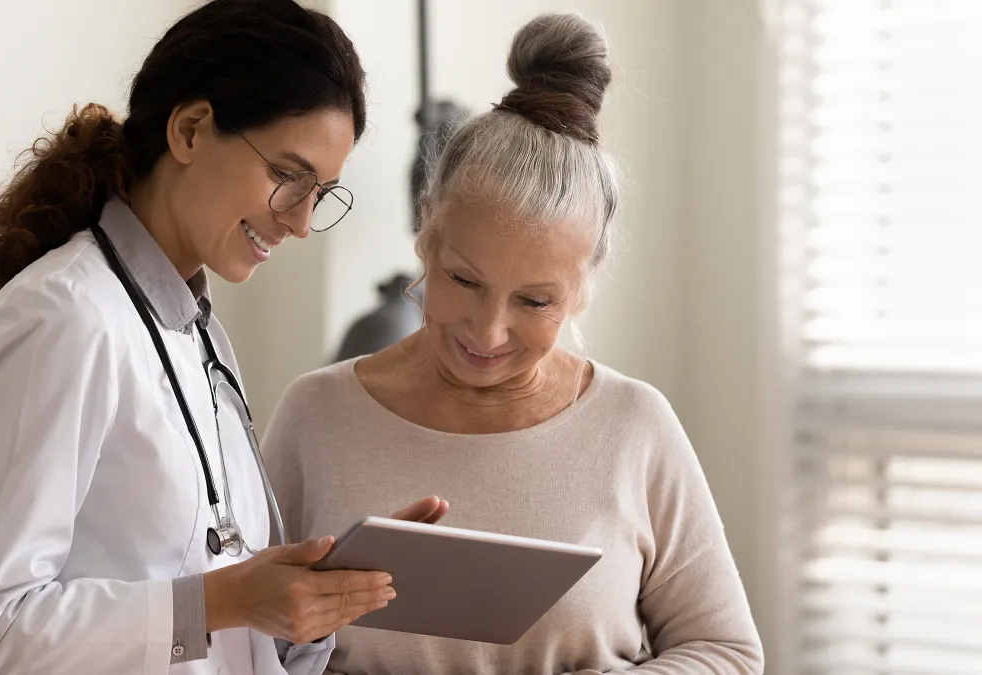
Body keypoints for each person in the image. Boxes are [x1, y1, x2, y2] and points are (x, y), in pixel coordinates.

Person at [0, 2, 442, 674]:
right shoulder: (62, 317)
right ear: (191, 130)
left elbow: (216, 614)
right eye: (288, 176)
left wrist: (311, 605)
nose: (302, 223)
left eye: (321, 193)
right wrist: (222, 601)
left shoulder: (200, 337)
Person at [262, 12, 765, 675]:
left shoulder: (634, 427)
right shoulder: (316, 415)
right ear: (426, 240)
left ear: (583, 289)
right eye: (462, 279)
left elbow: (727, 652)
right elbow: (242, 638)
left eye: (534, 300)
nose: (487, 330)